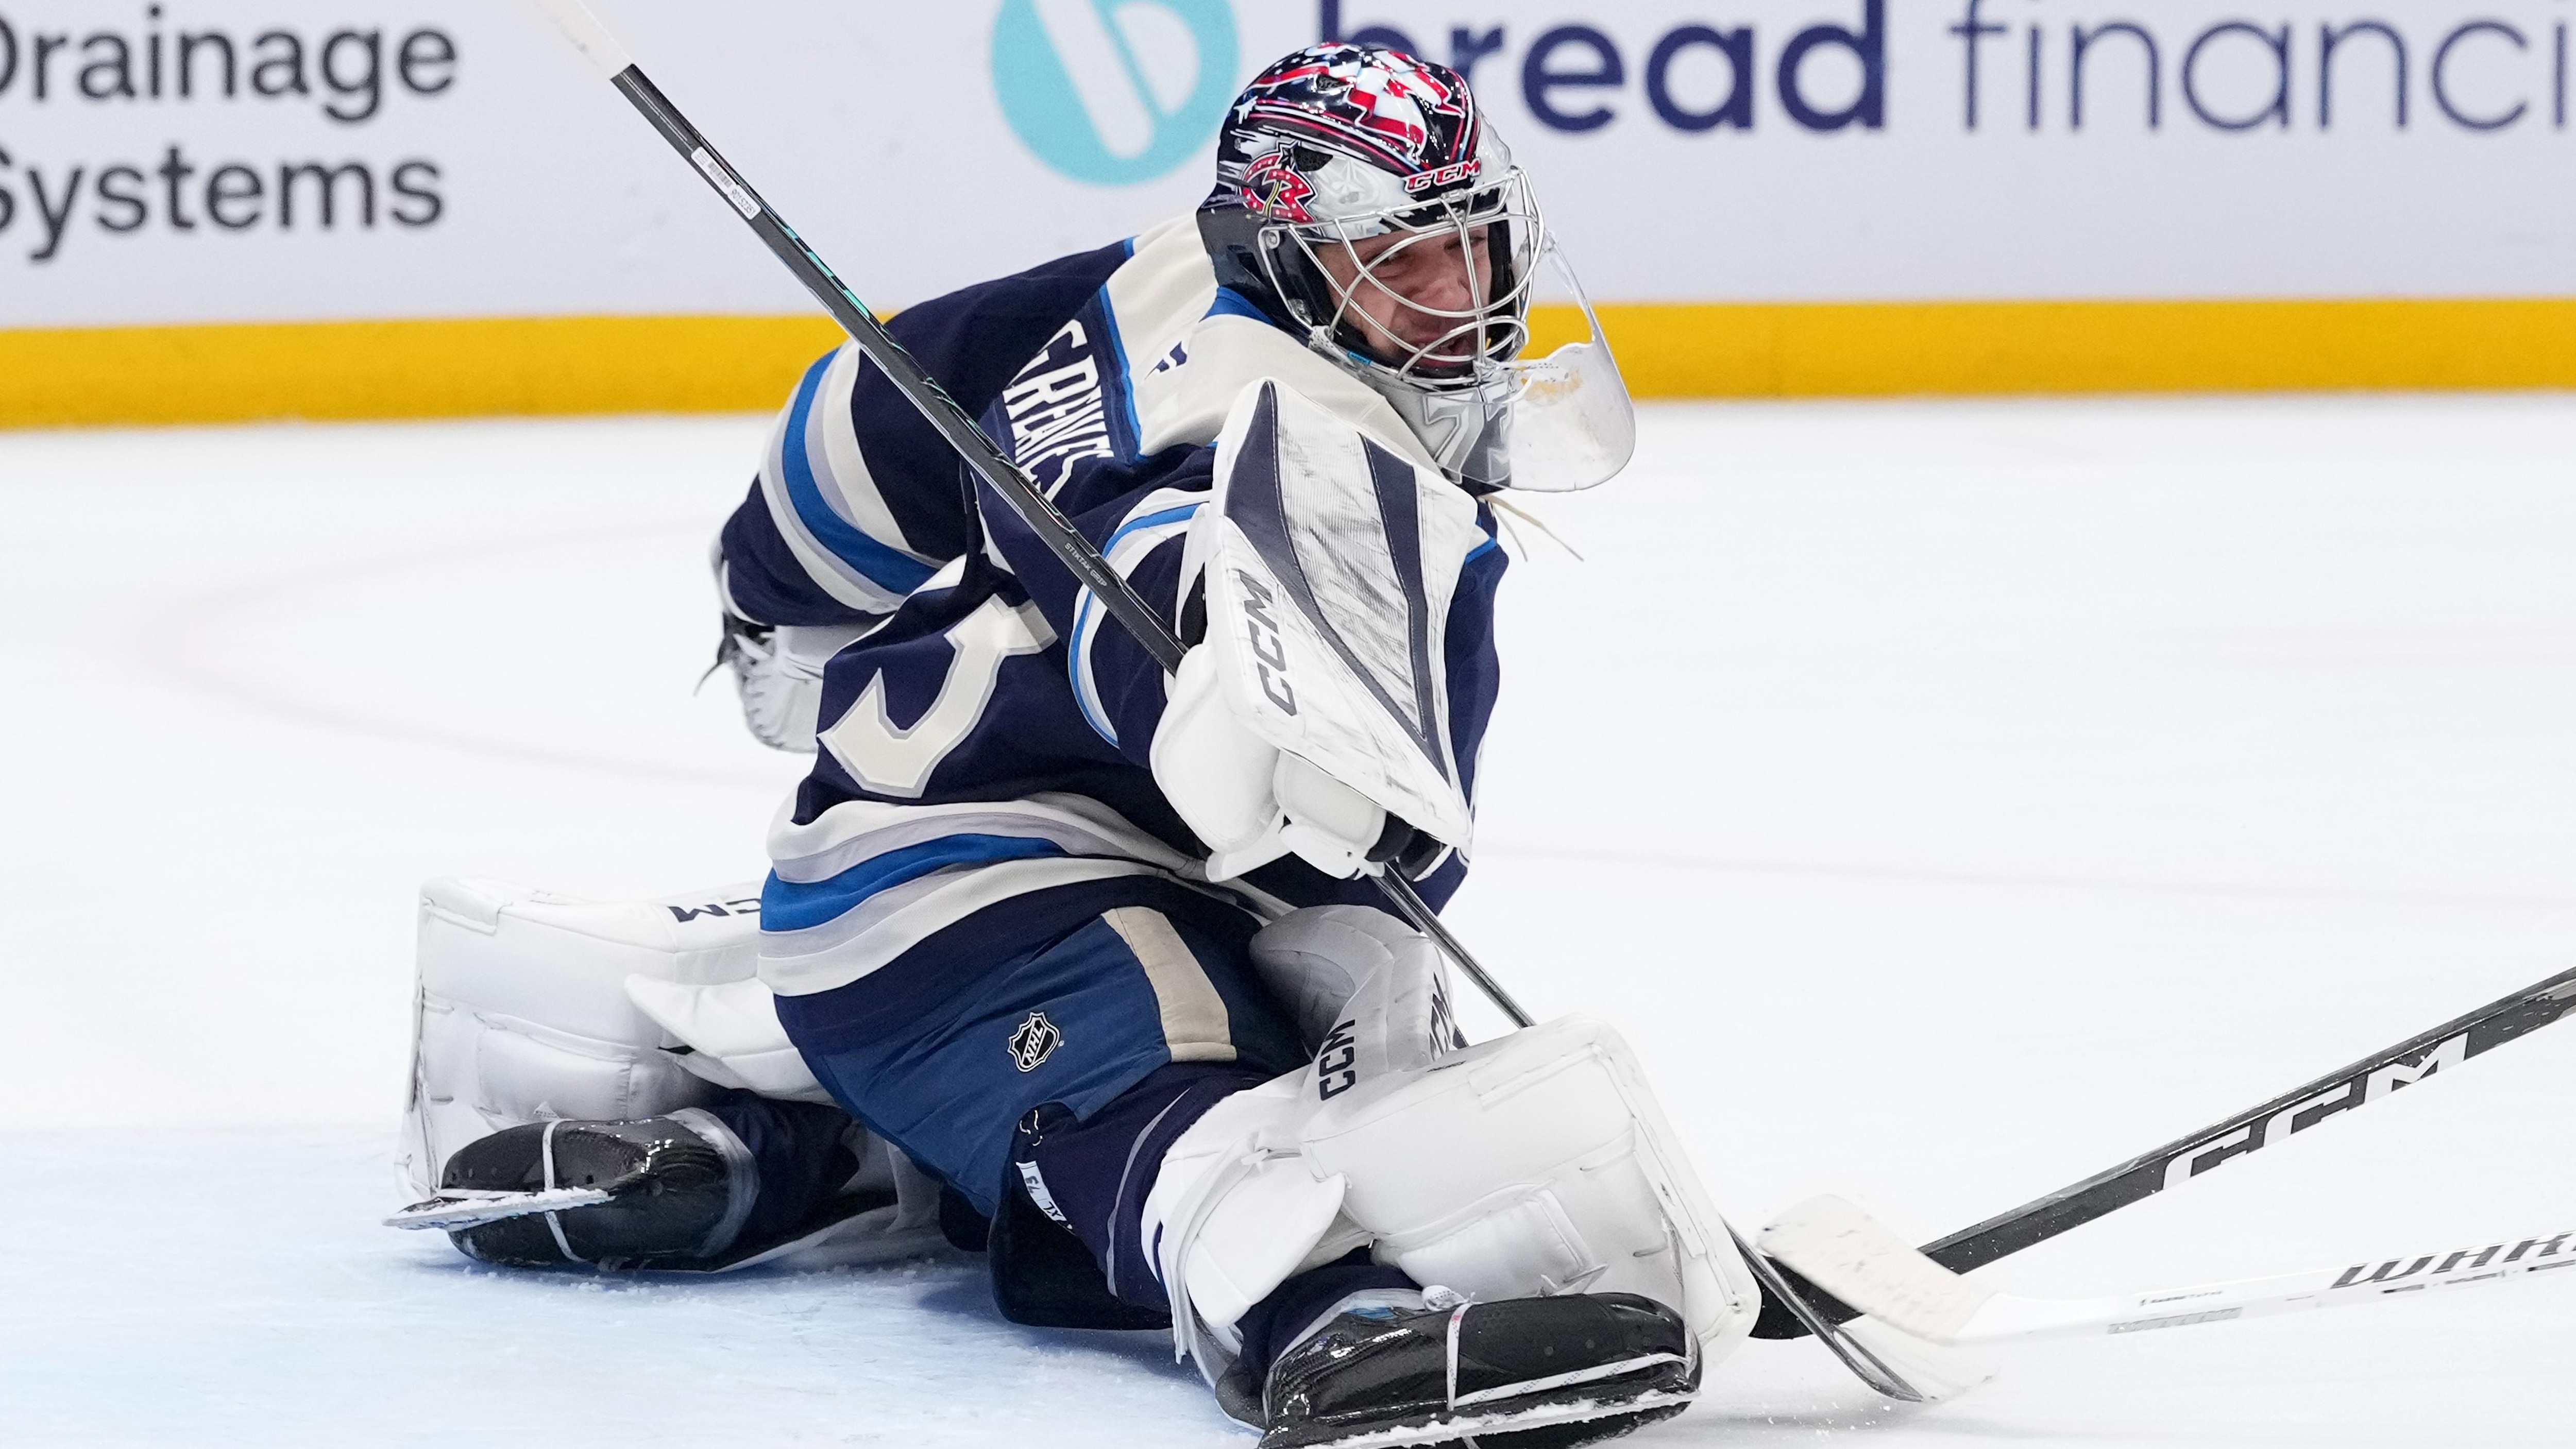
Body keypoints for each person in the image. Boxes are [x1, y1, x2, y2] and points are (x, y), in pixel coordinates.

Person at [398, 44, 1755, 1447]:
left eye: (1469, 248)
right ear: (1286, 259)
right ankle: (1316, 1319)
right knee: (1192, 1073)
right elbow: (1162, 571)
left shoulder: (1156, 277)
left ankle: (797, 1148)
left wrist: (771, 595)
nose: (1454, 301)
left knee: (1271, 1026)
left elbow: (875, 409)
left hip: (922, 893)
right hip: (976, 900)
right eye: (1394, 262)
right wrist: (1253, 718)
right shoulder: (1290, 443)